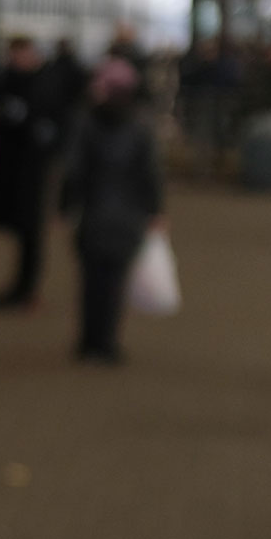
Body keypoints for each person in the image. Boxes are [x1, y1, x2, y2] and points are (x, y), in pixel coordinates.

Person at [61, 58, 164, 364]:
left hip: (93, 214)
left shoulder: (85, 123)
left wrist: (65, 206)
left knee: (91, 280)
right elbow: (150, 174)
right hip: (127, 216)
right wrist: (155, 210)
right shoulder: (140, 127)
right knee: (114, 282)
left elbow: (73, 170)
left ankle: (88, 339)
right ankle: (106, 341)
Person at [0, 35, 81, 310]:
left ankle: (27, 290)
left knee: (31, 229)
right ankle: (21, 287)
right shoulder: (11, 79)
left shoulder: (45, 82)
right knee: (23, 229)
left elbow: (51, 122)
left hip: (34, 169)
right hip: (15, 167)